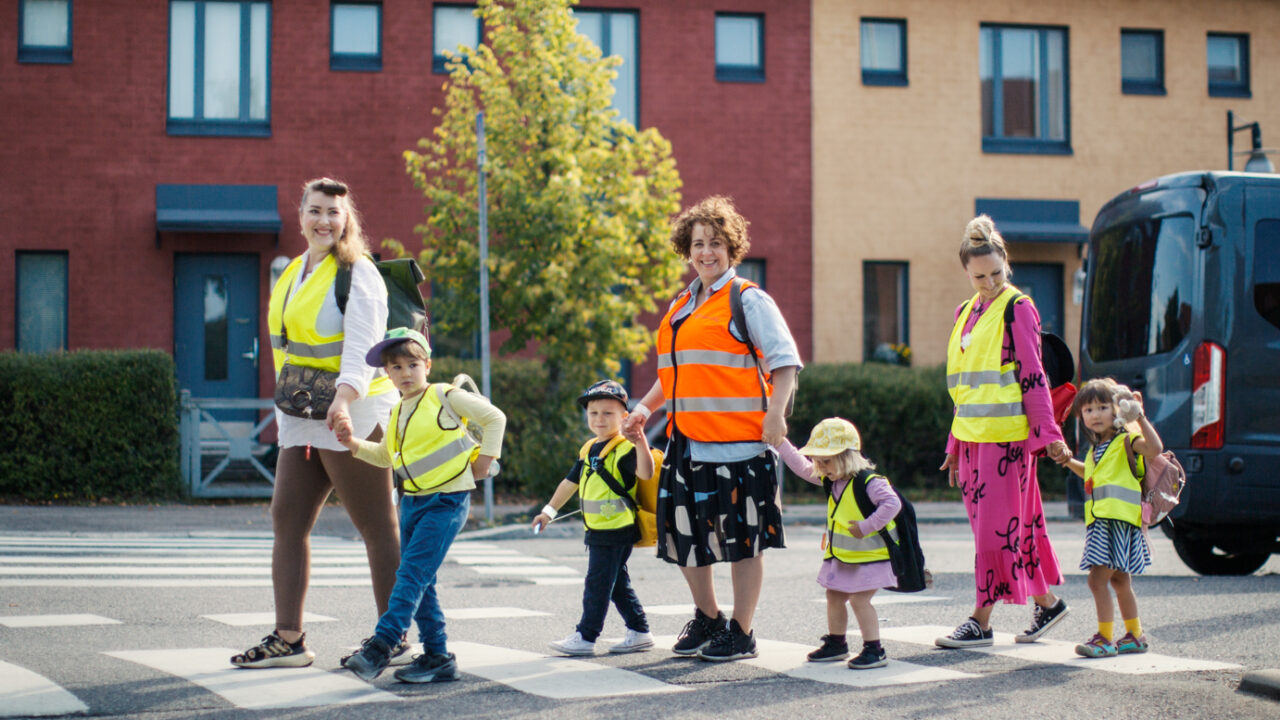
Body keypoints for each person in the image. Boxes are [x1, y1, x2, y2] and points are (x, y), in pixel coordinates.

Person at [621, 195, 802, 662]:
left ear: (731, 248)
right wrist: (644, 408)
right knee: (683, 538)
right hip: (687, 443)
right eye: (699, 243)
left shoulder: (748, 299)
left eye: (717, 243)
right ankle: (709, 618)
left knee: (743, 543)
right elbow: (677, 373)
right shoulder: (682, 304)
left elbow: (785, 364)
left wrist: (777, 414)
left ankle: (741, 631)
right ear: (687, 249)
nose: (707, 251)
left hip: (741, 445)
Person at [232, 178, 402, 669]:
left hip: (353, 411)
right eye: (316, 210)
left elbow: (363, 349)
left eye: (334, 212)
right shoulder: (291, 272)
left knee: (376, 526)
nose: (324, 220)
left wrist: (345, 402)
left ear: (347, 219)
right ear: (300, 215)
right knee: (286, 519)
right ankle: (290, 639)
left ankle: (393, 637)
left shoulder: (358, 273)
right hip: (304, 415)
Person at [337, 327, 506, 683]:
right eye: (395, 367)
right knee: (421, 580)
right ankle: (438, 657)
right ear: (387, 374)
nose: (405, 373)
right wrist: (353, 443)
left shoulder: (444, 395)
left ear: (427, 364)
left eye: (412, 364)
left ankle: (381, 646)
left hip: (446, 502)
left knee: (411, 574)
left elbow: (495, 418)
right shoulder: (397, 411)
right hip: (412, 503)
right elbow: (386, 457)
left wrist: (484, 462)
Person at [936, 214, 1073, 649]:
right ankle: (1048, 604)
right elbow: (966, 389)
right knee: (1015, 528)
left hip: (1009, 443)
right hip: (974, 441)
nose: (990, 282)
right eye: (979, 276)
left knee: (995, 532)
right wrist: (954, 446)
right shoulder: (964, 314)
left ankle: (981, 620)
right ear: (966, 272)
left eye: (997, 273)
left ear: (1006, 264)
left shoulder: (1019, 308)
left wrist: (1049, 435)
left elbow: (1033, 375)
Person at [532, 380, 656, 657]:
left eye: (608, 413)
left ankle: (586, 636)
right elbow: (569, 482)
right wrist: (549, 511)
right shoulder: (589, 449)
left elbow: (646, 473)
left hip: (617, 528)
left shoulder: (625, 449)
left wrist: (641, 441)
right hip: (599, 528)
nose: (599, 419)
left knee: (598, 584)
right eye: (593, 413)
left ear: (625, 416)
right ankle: (639, 631)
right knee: (615, 583)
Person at [775, 418, 901, 670]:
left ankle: (874, 649)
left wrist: (866, 526)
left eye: (825, 461)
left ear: (846, 457)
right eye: (818, 461)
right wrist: (781, 443)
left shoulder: (869, 482)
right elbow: (802, 467)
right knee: (834, 596)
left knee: (858, 600)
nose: (819, 467)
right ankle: (837, 643)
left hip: (871, 557)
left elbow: (892, 504)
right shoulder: (832, 479)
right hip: (846, 557)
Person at [1056, 379, 1160, 658]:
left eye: (1103, 407)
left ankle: (1104, 638)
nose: (1096, 414)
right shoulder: (1095, 450)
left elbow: (1155, 449)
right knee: (1120, 582)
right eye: (1089, 410)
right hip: (1107, 522)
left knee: (1096, 581)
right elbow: (1091, 476)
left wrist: (1140, 417)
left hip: (1115, 523)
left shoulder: (1126, 440)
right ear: (1081, 416)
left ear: (1117, 411)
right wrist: (1067, 461)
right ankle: (1135, 635)